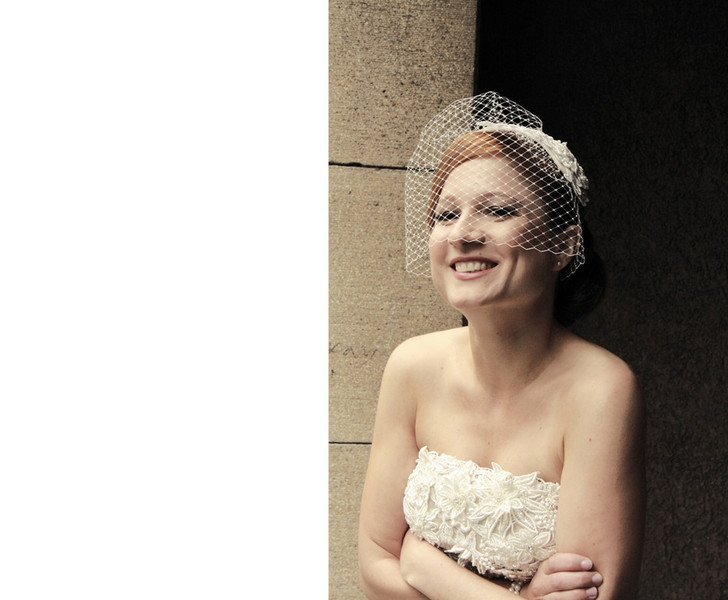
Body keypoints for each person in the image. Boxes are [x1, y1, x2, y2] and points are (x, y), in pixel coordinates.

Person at [358, 92, 645, 599]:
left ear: (563, 246)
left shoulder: (602, 390)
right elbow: (375, 568)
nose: (463, 234)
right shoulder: (411, 367)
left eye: (497, 210)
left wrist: (424, 566)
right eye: (446, 215)